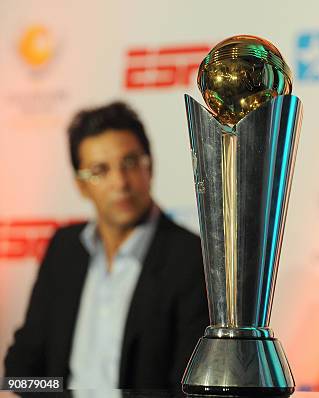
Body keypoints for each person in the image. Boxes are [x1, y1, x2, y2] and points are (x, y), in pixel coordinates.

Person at [4, 102, 209, 391]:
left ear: (150, 166)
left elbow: (187, 388)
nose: (120, 182)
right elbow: (22, 369)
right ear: (81, 185)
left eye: (130, 163)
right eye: (100, 170)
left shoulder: (190, 258)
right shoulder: (64, 249)